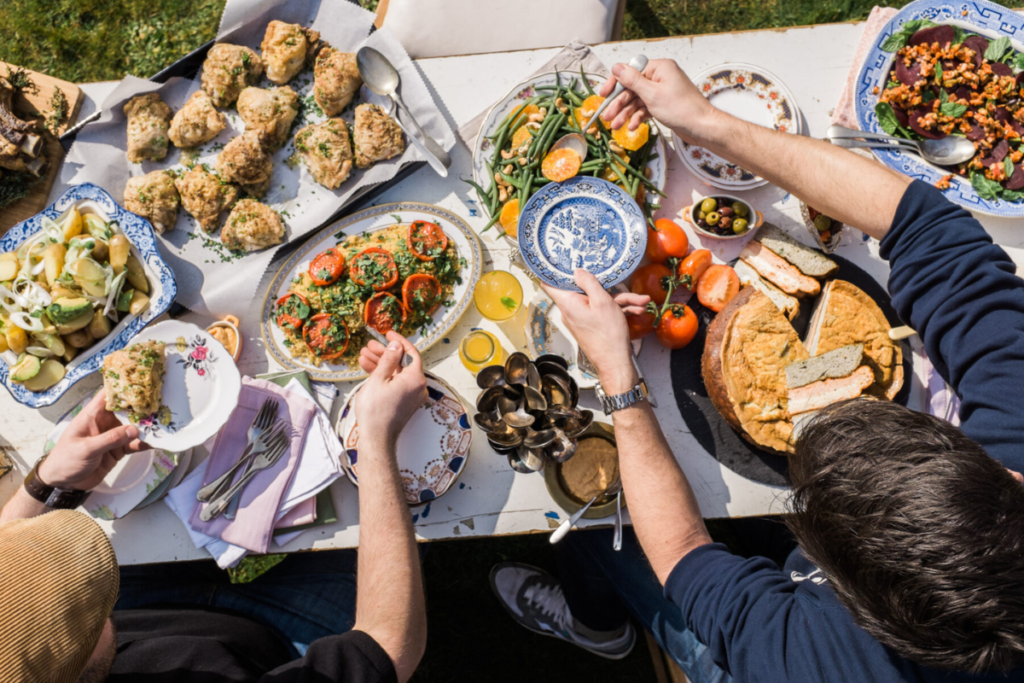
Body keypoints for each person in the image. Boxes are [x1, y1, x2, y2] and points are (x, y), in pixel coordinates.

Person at [490, 59, 1024, 682]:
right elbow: (919, 221)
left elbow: (685, 557)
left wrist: (617, 377)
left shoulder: (813, 663)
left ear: (851, 602)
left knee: (593, 528)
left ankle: (598, 629)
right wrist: (707, 123)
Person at [0, 332, 429, 682]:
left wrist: (47, 482)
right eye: (73, 596)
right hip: (277, 634)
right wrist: (374, 438)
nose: (74, 577)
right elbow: (388, 647)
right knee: (410, 525)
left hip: (151, 604)